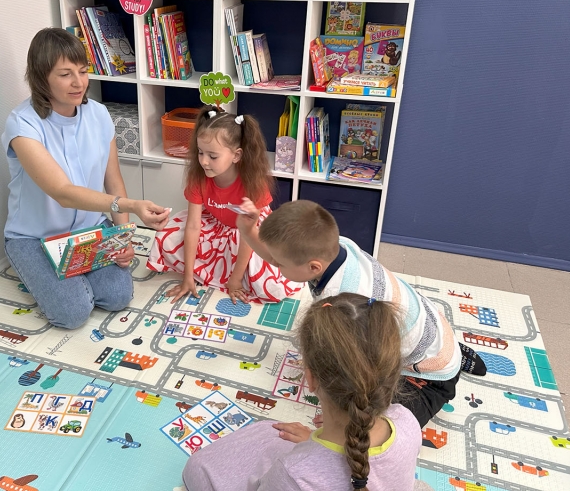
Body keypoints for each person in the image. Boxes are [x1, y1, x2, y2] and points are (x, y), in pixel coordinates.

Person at [235, 199, 487, 426]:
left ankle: (448, 366)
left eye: (279, 265)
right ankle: (449, 353)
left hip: (428, 378)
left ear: (313, 267)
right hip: (429, 326)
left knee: (385, 429)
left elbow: (363, 364)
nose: (275, 266)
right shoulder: (337, 246)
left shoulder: (342, 303)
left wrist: (344, 420)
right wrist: (248, 231)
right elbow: (280, 255)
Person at [2, 27, 170, 330]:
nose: (79, 83)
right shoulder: (23, 124)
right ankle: (51, 274)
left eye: (82, 71)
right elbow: (62, 192)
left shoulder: (99, 115)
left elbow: (113, 180)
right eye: (65, 74)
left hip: (88, 229)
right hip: (35, 237)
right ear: (41, 77)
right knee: (73, 314)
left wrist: (122, 236)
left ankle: (72, 275)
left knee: (118, 297)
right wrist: (131, 205)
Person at [182, 293, 422, 491]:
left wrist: (313, 452)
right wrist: (313, 442)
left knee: (199, 468)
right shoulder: (407, 422)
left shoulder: (293, 474)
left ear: (310, 379)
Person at [147, 105, 301, 304]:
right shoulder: (199, 177)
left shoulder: (252, 182)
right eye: (200, 152)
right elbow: (193, 226)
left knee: (270, 286)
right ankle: (213, 271)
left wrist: (235, 280)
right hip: (216, 224)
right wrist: (188, 276)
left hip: (249, 232)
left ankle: (227, 274)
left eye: (213, 156)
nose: (204, 161)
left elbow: (248, 236)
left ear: (236, 155)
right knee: (165, 237)